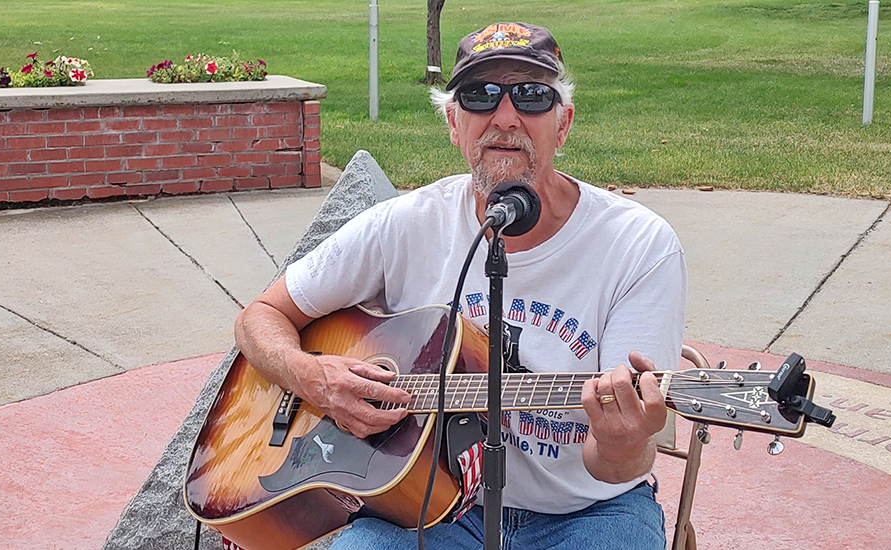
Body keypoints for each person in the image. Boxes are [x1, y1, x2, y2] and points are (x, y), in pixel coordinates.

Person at [234, 22, 686, 549]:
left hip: (588, 509)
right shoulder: (404, 224)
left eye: (533, 96)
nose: (505, 116)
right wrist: (314, 378)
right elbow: (259, 317)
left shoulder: (639, 245)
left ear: (563, 124)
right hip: (430, 506)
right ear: (453, 122)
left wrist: (621, 442)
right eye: (479, 96)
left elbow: (613, 467)